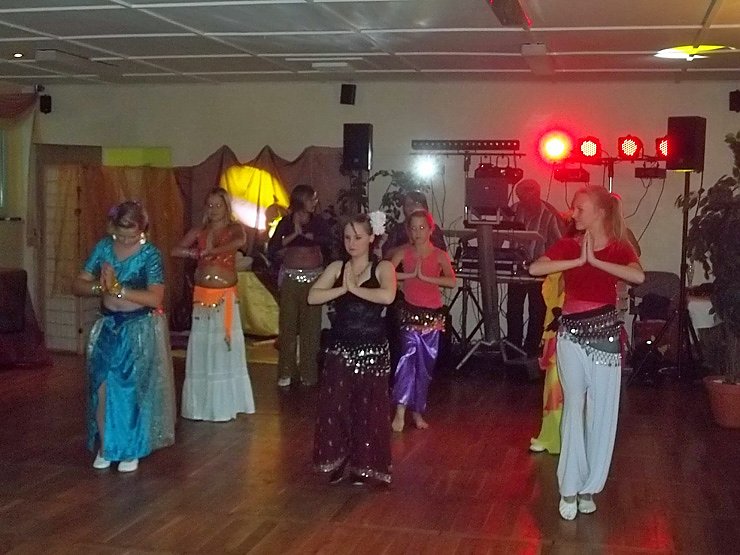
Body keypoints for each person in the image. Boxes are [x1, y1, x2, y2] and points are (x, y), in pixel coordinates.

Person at [528, 185, 644, 520]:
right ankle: (569, 486)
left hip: (605, 337)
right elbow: (536, 268)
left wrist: (595, 261)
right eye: (574, 208)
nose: (573, 213)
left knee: (601, 413)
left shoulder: (619, 246)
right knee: (573, 408)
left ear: (600, 213)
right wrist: (579, 259)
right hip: (570, 337)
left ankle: (589, 486)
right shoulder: (569, 244)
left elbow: (638, 275)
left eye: (580, 208)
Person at [73, 201, 175, 472]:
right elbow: (79, 283)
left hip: (137, 328)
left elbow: (155, 298)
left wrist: (119, 289)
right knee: (102, 386)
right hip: (108, 326)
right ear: (112, 228)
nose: (126, 240)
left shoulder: (150, 254)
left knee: (129, 388)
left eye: (132, 236)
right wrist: (100, 287)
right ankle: (107, 446)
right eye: (121, 235)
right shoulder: (104, 248)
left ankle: (130, 448)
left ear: (143, 230)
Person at [308, 212, 397, 485]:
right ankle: (339, 459)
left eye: (358, 237)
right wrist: (343, 289)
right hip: (340, 349)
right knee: (336, 407)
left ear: (371, 238)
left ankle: (365, 465)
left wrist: (354, 289)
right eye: (347, 237)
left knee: (368, 410)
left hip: (372, 350)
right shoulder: (337, 267)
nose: (351, 243)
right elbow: (313, 296)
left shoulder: (383, 268)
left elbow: (387, 296)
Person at [172, 188, 255, 421]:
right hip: (202, 297)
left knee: (222, 346)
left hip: (224, 296)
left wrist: (211, 251)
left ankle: (225, 404)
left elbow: (239, 242)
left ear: (226, 207)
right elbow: (175, 250)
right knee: (203, 346)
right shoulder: (199, 231)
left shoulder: (234, 229)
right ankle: (200, 404)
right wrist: (195, 253)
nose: (214, 209)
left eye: (218, 205)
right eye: (210, 205)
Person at [389, 210, 456, 432]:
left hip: (432, 319)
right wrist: (410, 276)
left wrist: (426, 277)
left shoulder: (439, 255)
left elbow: (451, 281)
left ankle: (417, 411)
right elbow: (385, 272)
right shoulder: (403, 252)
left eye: (421, 228)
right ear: (408, 230)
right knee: (406, 361)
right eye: (413, 228)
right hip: (409, 315)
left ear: (430, 229)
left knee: (424, 369)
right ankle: (400, 411)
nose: (417, 232)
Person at [268, 185, 331, 387]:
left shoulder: (318, 222)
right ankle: (286, 370)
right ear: (301, 200)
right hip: (290, 279)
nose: (315, 202)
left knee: (311, 327)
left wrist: (312, 238)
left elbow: (329, 241)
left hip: (314, 280)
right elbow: (273, 247)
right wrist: (294, 235)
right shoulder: (286, 222)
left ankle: (308, 372)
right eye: (311, 198)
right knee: (287, 325)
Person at [507, 179, 565, 358]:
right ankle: (513, 348)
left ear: (537, 194)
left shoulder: (549, 214)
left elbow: (561, 243)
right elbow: (501, 234)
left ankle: (532, 350)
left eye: (528, 196)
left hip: (540, 269)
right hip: (517, 267)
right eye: (521, 197)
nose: (524, 201)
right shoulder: (513, 210)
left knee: (537, 310)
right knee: (513, 310)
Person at [528, 272, 565, 454]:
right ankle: (552, 435)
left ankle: (572, 440)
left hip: (586, 329)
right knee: (553, 386)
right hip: (559, 330)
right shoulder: (559, 268)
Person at [380, 190, 446, 259]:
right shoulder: (398, 229)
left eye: (416, 203)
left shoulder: (434, 229)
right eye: (408, 204)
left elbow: (442, 254)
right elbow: (386, 254)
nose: (412, 206)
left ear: (424, 206)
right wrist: (409, 246)